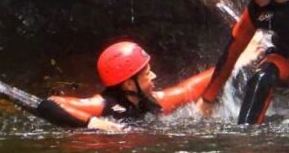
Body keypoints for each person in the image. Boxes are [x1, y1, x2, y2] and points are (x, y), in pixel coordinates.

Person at [35, 41, 212, 130]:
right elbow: (49, 105)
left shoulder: (152, 102)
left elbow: (188, 89)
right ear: (129, 84)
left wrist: (228, 65)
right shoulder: (102, 105)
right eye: (147, 74)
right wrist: (94, 123)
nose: (154, 76)